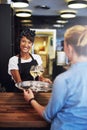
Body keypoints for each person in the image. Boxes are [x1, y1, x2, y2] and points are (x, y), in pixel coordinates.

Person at [23, 25, 87, 130]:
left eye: (64, 45)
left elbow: (47, 116)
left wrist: (31, 100)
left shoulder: (63, 79)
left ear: (69, 48)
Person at [8, 27, 51, 92]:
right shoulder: (13, 60)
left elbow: (40, 77)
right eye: (23, 41)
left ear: (32, 44)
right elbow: (19, 83)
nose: (26, 45)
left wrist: (43, 80)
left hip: (35, 93)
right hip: (20, 94)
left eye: (29, 42)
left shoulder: (37, 58)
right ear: (19, 42)